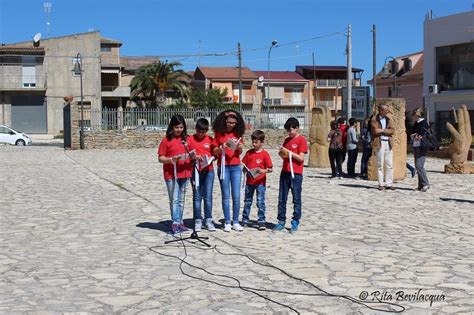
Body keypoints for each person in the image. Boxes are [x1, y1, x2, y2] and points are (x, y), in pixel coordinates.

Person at [158, 114, 192, 235]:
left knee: (181, 199)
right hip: (171, 174)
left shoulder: (187, 139)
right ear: (172, 127)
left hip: (185, 173)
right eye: (176, 127)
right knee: (174, 199)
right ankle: (175, 222)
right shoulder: (166, 140)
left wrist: (192, 156)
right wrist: (171, 159)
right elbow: (161, 158)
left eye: (181, 127)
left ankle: (180, 220)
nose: (179, 130)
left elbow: (192, 152)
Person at [212, 110, 245, 232]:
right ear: (225, 121)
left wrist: (240, 147)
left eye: (234, 123)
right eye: (229, 122)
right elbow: (214, 151)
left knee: (236, 196)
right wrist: (221, 148)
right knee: (225, 195)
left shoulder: (238, 135)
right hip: (223, 167)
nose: (231, 125)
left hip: (236, 166)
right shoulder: (219, 134)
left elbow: (239, 151)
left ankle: (235, 221)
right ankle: (227, 221)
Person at [273, 117, 307, 234]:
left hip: (296, 173)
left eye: (290, 130)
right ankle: (281, 220)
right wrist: (282, 152)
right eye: (287, 131)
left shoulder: (301, 140)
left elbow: (301, 158)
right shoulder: (287, 140)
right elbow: (284, 156)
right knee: (282, 198)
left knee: (296, 198)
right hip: (285, 171)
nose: (289, 133)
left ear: (297, 128)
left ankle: (295, 221)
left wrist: (291, 153)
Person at [187, 118, 216, 232]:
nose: (200, 134)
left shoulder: (210, 140)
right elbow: (187, 153)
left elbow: (215, 154)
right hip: (195, 171)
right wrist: (194, 157)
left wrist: (210, 158)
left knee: (208, 196)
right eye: (199, 131)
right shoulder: (190, 139)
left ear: (207, 130)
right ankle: (198, 220)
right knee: (197, 196)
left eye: (203, 132)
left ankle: (208, 220)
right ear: (196, 129)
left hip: (208, 170)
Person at [241, 130, 273, 230]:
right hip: (249, 182)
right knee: (247, 201)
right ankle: (245, 219)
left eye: (256, 142)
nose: (254, 144)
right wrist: (245, 170)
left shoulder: (265, 154)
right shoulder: (249, 153)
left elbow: (270, 169)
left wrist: (262, 171)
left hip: (260, 183)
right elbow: (243, 166)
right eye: (253, 142)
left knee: (260, 202)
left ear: (262, 142)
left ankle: (261, 220)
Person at [371, 104, 395, 191]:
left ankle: (389, 183)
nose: (387, 112)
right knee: (380, 164)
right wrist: (385, 131)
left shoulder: (389, 119)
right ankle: (380, 183)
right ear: (381, 110)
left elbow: (392, 130)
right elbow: (375, 130)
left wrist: (382, 131)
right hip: (379, 143)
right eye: (386, 110)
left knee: (389, 164)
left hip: (388, 142)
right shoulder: (374, 119)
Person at [411, 108, 430, 192]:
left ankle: (426, 184)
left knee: (419, 165)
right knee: (417, 165)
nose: (413, 115)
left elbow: (423, 133)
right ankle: (420, 186)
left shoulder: (424, 122)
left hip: (422, 145)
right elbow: (413, 133)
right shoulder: (416, 123)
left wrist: (418, 135)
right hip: (416, 144)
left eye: (414, 114)